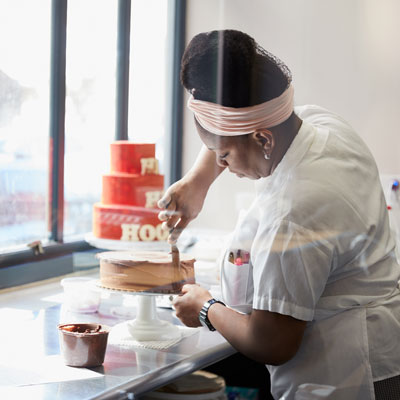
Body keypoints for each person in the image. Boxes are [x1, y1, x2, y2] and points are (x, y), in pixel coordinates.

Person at [157, 29, 400, 399]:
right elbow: (239, 129)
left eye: (223, 155)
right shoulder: (323, 127)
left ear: (263, 139)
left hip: (350, 376)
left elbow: (272, 342)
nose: (223, 164)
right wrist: (197, 182)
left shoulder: (293, 213)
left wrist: (205, 308)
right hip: (385, 346)